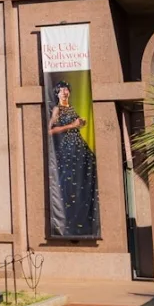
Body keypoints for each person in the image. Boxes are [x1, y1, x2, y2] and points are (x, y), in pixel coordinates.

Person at [47, 81, 100, 237]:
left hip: (79, 146)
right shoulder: (57, 109)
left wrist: (79, 124)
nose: (64, 92)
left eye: (66, 89)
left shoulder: (71, 108)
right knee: (70, 181)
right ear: (56, 94)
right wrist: (71, 125)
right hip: (67, 149)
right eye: (61, 90)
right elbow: (50, 130)